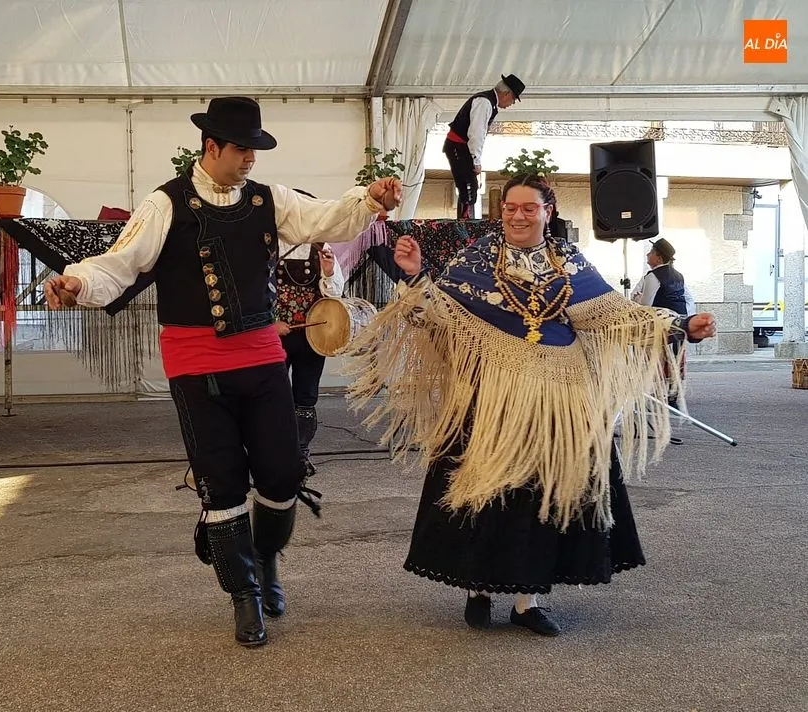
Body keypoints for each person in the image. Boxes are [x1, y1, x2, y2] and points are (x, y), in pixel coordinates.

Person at [43, 96, 400, 648]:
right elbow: (122, 262)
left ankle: (267, 561)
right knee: (222, 483)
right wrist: (77, 283)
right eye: (242, 149)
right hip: (195, 363)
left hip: (260, 356)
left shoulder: (269, 199)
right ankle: (245, 595)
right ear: (211, 147)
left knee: (282, 473)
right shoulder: (165, 204)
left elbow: (323, 217)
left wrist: (366, 200)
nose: (251, 159)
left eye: (256, 149)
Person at [344, 173, 716, 636]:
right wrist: (417, 276)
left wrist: (679, 325)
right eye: (509, 208)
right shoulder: (477, 258)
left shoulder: (571, 263)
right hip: (489, 391)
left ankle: (527, 599)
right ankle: (478, 587)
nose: (518, 216)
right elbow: (436, 315)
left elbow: (616, 314)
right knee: (485, 487)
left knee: (541, 495)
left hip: (560, 392)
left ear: (548, 211)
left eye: (528, 208)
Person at [275, 190, 346, 476]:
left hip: (311, 337)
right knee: (273, 397)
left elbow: (335, 294)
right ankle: (273, 455)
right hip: (274, 335)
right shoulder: (268, 246)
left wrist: (328, 272)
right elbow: (253, 291)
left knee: (305, 397)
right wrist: (270, 324)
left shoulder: (321, 246)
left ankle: (300, 453)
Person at [631, 238, 695, 440]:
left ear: (658, 256)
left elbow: (646, 306)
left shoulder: (653, 276)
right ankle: (672, 396)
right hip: (678, 324)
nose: (647, 255)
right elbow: (685, 300)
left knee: (653, 362)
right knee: (675, 361)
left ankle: (650, 395)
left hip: (662, 326)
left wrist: (635, 301)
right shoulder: (678, 275)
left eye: (650, 252)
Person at [444, 74, 524, 218]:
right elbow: (476, 134)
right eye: (513, 99)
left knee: (469, 187)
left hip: (461, 147)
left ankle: (465, 222)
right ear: (507, 94)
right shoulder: (484, 102)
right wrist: (476, 161)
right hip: (459, 147)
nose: (512, 103)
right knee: (468, 188)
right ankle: (465, 224)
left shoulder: (488, 101)